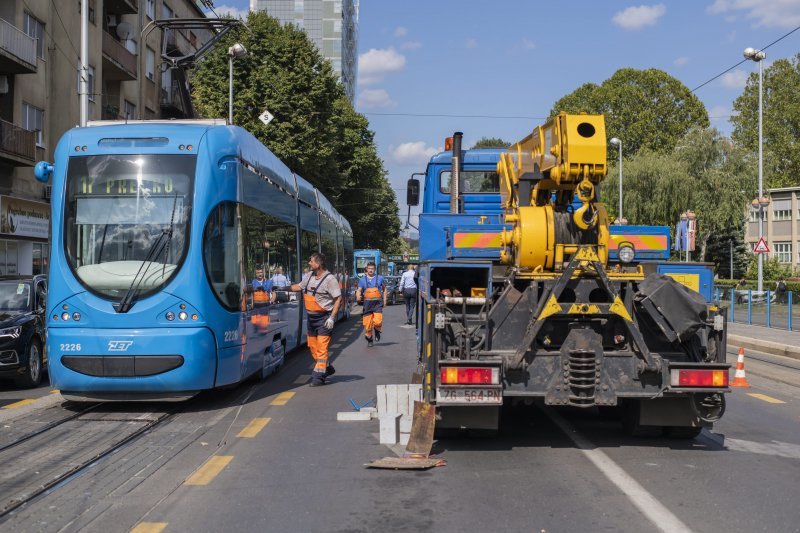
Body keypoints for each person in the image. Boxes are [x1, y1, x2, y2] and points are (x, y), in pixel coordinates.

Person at [290, 253, 341, 386]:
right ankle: (327, 368)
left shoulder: (330, 280)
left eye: (311, 261)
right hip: (311, 319)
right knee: (313, 347)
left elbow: (338, 299)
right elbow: (299, 287)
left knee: (322, 348)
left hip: (324, 319)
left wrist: (332, 317)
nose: (309, 263)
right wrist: (281, 289)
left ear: (318, 264)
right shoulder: (309, 276)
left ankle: (318, 377)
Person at [356, 261, 386, 347]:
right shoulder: (362, 280)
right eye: (369, 268)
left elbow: (384, 289)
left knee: (378, 321)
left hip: (377, 303)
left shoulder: (380, 278)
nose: (370, 270)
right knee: (368, 325)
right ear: (366, 269)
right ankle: (370, 339)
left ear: (375, 269)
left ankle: (377, 330)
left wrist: (384, 300)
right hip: (367, 304)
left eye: (372, 269)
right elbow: (359, 290)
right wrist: (358, 296)